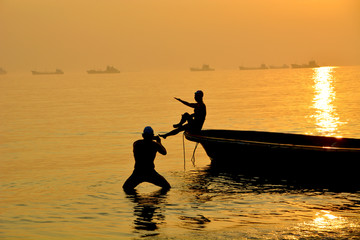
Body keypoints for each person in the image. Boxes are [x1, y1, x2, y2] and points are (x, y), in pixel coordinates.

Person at [123, 126, 171, 192]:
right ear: (152, 135)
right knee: (167, 187)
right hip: (150, 172)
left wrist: (150, 138)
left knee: (126, 188)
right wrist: (159, 142)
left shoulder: (137, 144)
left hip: (138, 172)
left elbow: (143, 142)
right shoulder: (155, 145)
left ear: (143, 135)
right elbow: (164, 152)